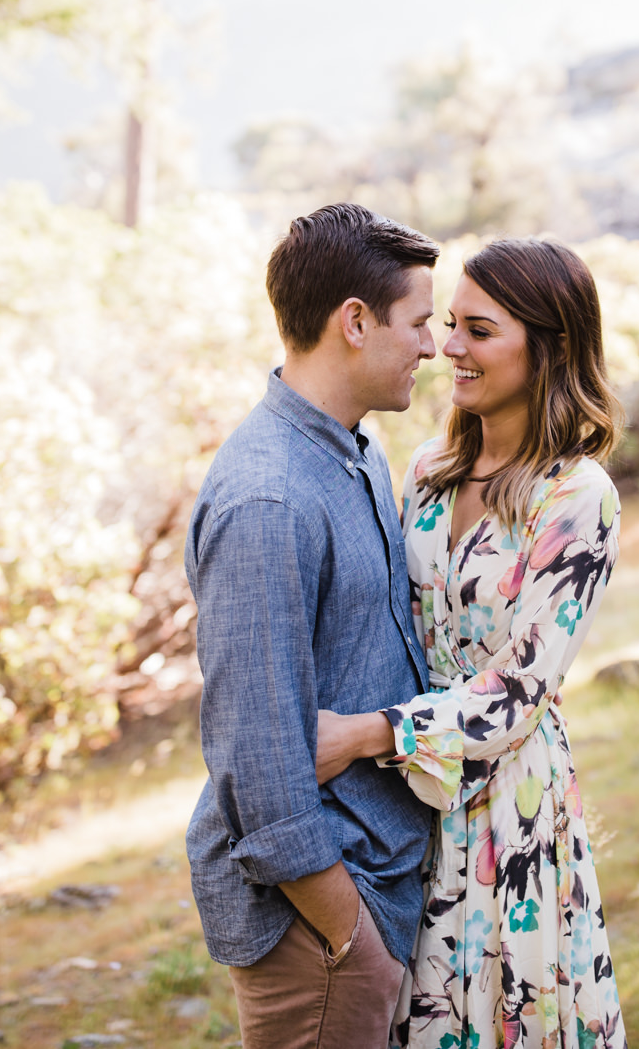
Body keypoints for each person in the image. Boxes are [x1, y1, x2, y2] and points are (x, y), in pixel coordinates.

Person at [316, 238, 628, 1049]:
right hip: (406, 806)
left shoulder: (577, 494)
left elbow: (522, 690)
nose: (447, 346)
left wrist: (363, 733)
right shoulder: (428, 468)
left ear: (549, 344)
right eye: (449, 323)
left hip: (508, 807)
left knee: (506, 1015)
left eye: (478, 330)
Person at [186, 202, 442, 1049]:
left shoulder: (355, 449)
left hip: (375, 881)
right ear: (355, 323)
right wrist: (346, 937)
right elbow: (258, 761)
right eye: (418, 323)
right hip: (321, 919)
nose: (433, 347)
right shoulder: (268, 498)